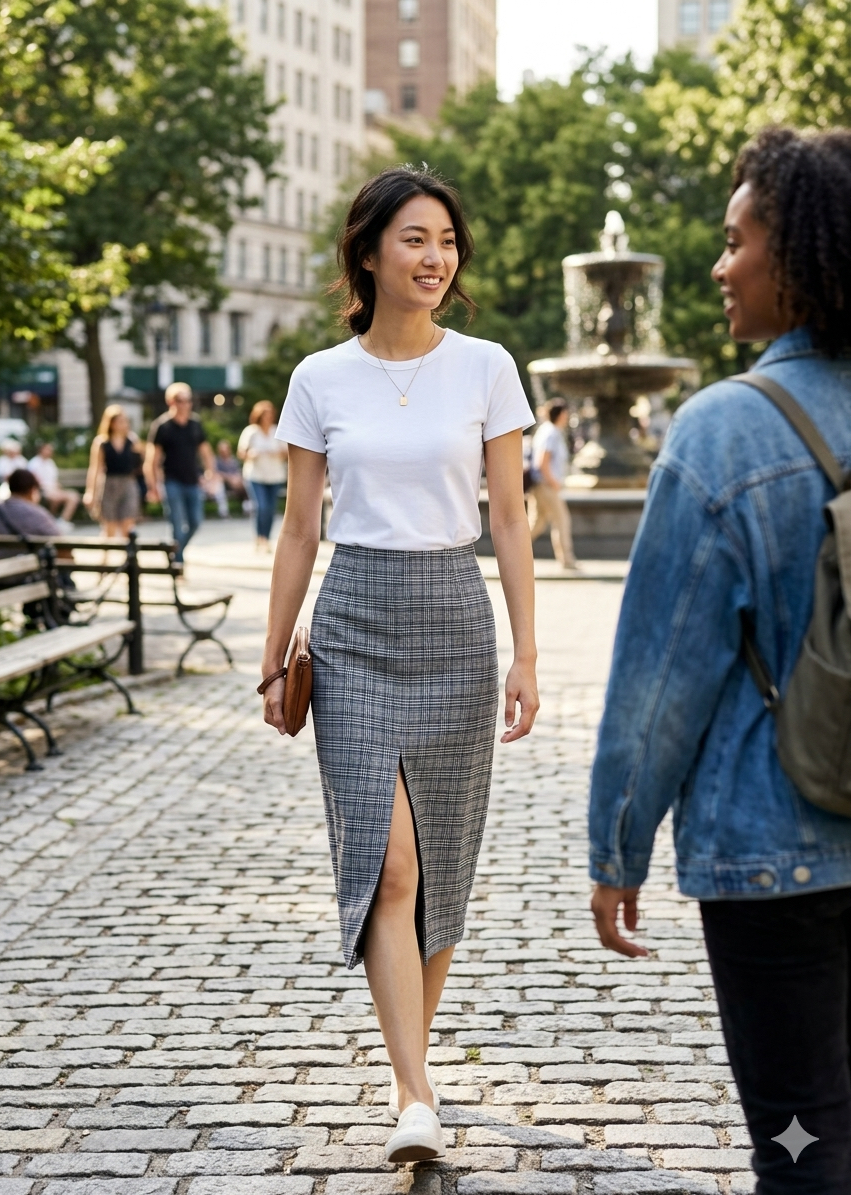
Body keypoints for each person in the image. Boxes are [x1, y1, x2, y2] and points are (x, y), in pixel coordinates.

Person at [588, 126, 851, 1195]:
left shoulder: (721, 433)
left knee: (800, 1150)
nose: (716, 264)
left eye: (734, 239)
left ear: (793, 256)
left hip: (773, 859)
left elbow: (660, 678)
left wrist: (616, 846)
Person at [260, 167, 539, 1165]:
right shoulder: (317, 378)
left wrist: (526, 652)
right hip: (354, 627)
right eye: (414, 239)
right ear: (369, 251)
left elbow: (508, 517)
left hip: (455, 627)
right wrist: (271, 649)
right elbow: (298, 529)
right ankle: (413, 1089)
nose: (434, 258)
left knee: (442, 865)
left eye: (446, 242)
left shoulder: (486, 367)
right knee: (388, 862)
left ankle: (407, 1058)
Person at [143, 382, 215, 566]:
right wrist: (153, 486)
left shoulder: (195, 424)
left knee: (196, 522)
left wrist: (210, 474)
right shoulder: (162, 426)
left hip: (192, 480)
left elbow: (206, 452)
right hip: (171, 481)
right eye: (180, 400)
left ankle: (175, 551)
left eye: (188, 400)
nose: (185, 404)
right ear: (170, 402)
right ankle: (178, 563)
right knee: (176, 523)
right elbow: (152, 459)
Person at [528, 401, 577, 569]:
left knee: (537, 523)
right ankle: (567, 560)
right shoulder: (551, 433)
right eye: (565, 413)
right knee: (562, 520)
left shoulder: (547, 430)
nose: (568, 417)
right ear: (560, 414)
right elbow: (543, 462)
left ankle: (512, 551)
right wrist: (554, 482)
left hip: (541, 484)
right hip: (546, 485)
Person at [83, 404, 143, 538]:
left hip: (128, 483)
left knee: (128, 523)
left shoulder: (132, 440)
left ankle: (129, 556)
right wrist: (90, 492)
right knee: (109, 526)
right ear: (111, 423)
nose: (124, 424)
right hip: (109, 484)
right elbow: (95, 468)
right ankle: (106, 556)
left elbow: (141, 462)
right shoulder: (102, 443)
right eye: (120, 421)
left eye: (125, 421)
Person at [237, 401, 288, 550]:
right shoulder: (251, 431)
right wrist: (252, 454)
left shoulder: (276, 431)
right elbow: (242, 452)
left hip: (275, 476)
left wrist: (276, 453)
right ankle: (259, 536)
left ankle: (266, 537)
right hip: (255, 475)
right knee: (261, 506)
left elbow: (287, 452)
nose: (268, 417)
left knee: (271, 508)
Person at [28, 442, 80, 525]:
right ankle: (49, 521)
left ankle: (63, 521)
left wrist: (57, 488)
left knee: (73, 496)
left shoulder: (50, 462)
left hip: (54, 489)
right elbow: (33, 481)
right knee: (55, 498)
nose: (50, 451)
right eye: (48, 449)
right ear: (41, 450)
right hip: (42, 490)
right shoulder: (33, 463)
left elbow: (55, 479)